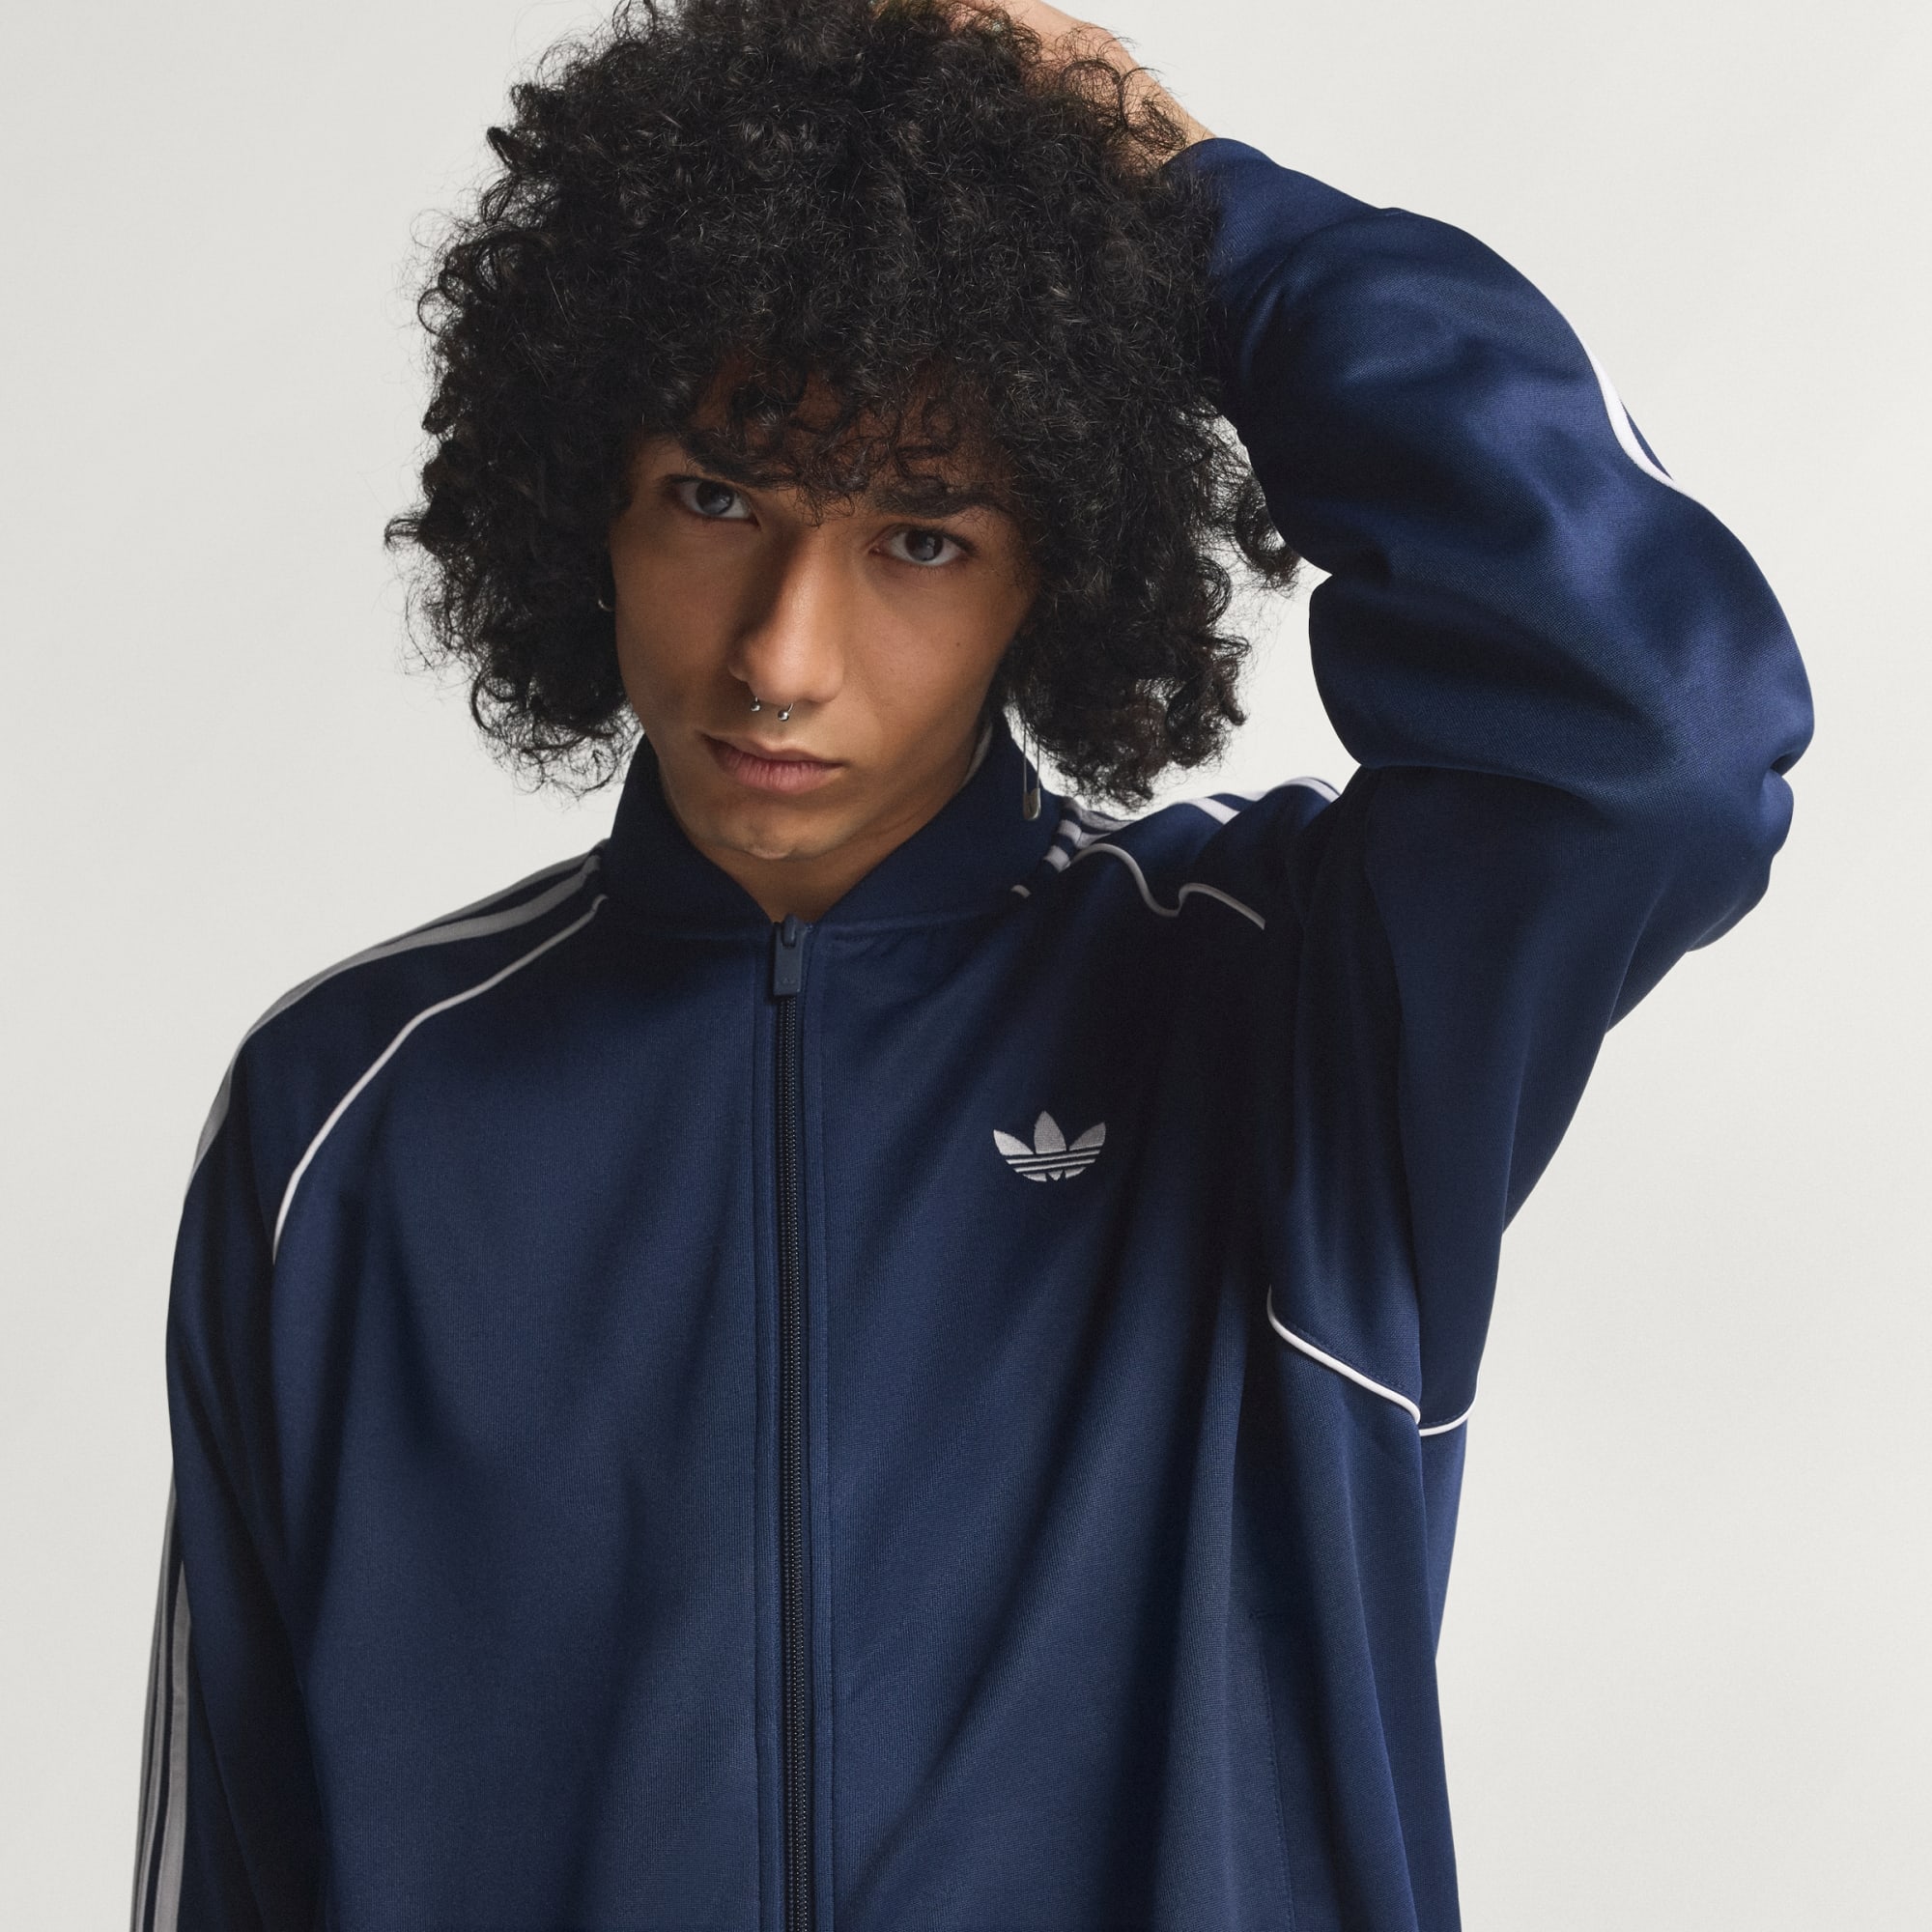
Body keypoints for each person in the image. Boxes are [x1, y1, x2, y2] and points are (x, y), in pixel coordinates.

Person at [130, 0, 1812, 1925]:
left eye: (920, 537)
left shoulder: (1293, 1023)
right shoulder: (348, 1120)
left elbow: (1662, 737)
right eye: (715, 497)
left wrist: (1197, 215)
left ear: (1058, 571)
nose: (781, 656)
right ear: (584, 493)